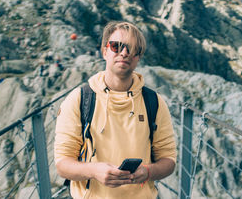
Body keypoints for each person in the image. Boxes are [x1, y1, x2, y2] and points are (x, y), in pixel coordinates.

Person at [54, 21, 176, 198]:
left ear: (138, 57)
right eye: (116, 46)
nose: (125, 53)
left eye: (133, 49)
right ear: (105, 51)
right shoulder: (79, 99)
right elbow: (62, 164)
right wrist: (94, 170)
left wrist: (148, 172)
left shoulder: (154, 102)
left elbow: (169, 161)